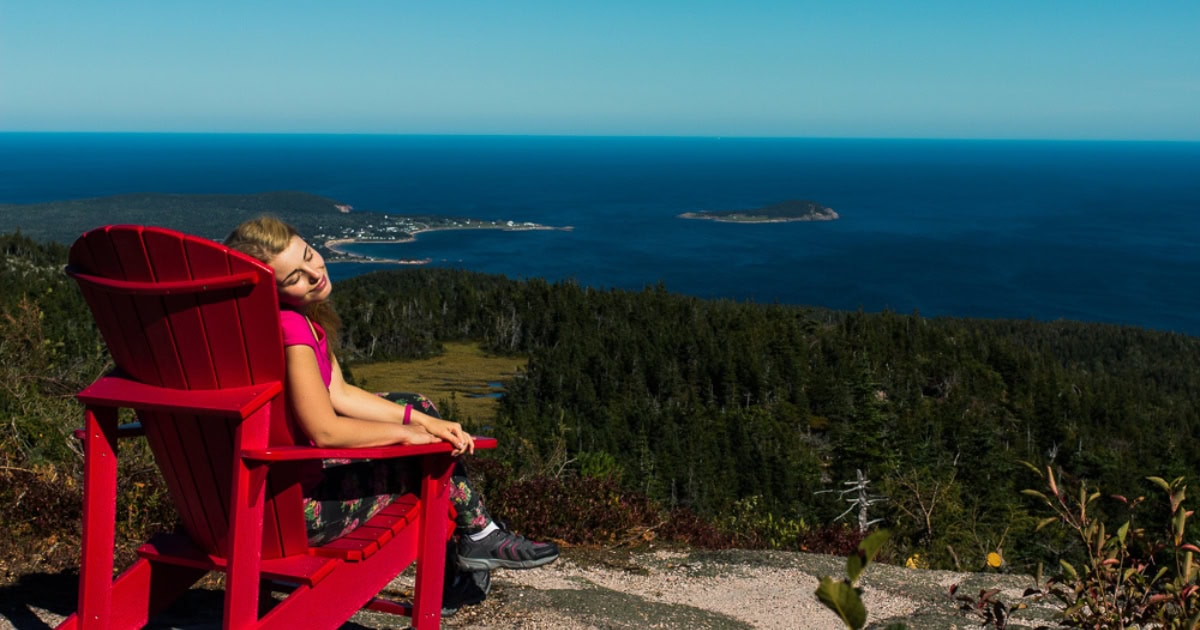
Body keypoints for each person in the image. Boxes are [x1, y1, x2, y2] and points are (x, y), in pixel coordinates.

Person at [224, 216, 557, 608]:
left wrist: (420, 420)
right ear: (270, 289)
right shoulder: (292, 328)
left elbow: (339, 393)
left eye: (310, 256)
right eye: (294, 277)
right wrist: (411, 438)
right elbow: (326, 430)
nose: (314, 272)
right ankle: (473, 545)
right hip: (294, 517)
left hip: (250, 494)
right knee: (427, 460)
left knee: (419, 406)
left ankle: (476, 540)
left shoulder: (262, 323)